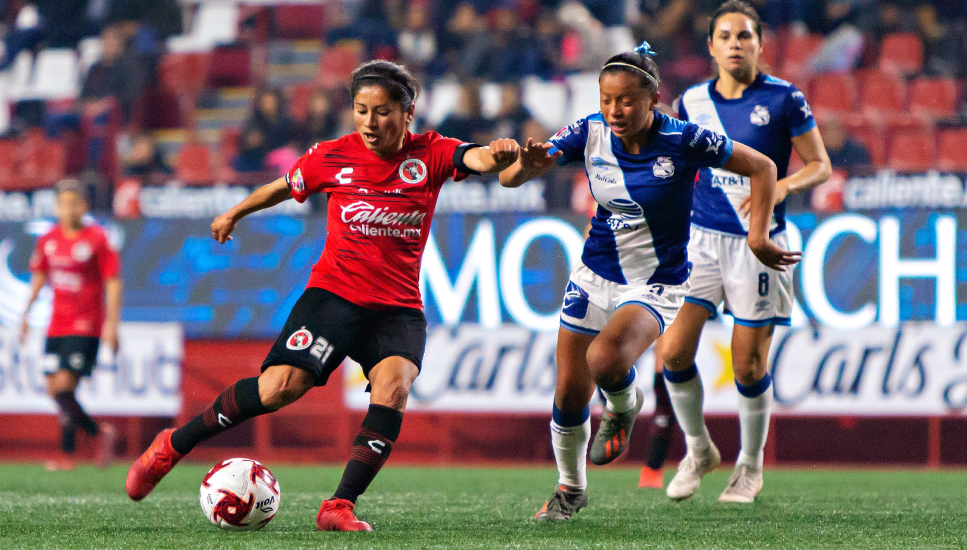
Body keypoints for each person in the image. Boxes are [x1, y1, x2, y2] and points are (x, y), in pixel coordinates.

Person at [125, 60, 521, 531]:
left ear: (407, 113)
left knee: (395, 388)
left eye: (383, 112)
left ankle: (338, 506)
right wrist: (235, 213)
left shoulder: (431, 152)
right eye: (361, 110)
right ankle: (173, 445)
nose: (370, 122)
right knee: (277, 389)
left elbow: (475, 159)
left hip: (396, 307)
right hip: (334, 295)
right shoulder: (332, 156)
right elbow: (282, 187)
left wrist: (498, 154)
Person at [499, 41, 799, 521]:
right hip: (594, 273)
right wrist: (524, 167)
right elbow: (510, 179)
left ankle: (624, 403)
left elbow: (762, 167)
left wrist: (758, 236)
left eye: (626, 100)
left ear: (654, 98)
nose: (614, 111)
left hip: (656, 282)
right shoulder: (588, 131)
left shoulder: (684, 139)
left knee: (605, 359)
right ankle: (571, 489)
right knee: (569, 392)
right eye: (606, 100)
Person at [659, 0, 831, 503]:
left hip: (760, 242)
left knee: (749, 367)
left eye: (744, 36)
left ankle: (750, 467)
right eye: (725, 36)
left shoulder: (784, 98)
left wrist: (781, 187)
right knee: (672, 353)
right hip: (700, 240)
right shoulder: (691, 102)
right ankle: (699, 450)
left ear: (759, 44)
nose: (735, 44)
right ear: (711, 47)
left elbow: (820, 164)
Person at [21, 178, 121, 471]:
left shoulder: (98, 238)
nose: (68, 209)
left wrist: (112, 324)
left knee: (65, 386)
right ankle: (89, 438)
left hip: (86, 323)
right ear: (56, 207)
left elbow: (113, 281)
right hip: (57, 324)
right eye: (63, 204)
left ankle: (79, 445)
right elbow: (39, 275)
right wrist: (26, 313)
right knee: (54, 388)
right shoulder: (48, 240)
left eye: (74, 203)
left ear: (84, 207)